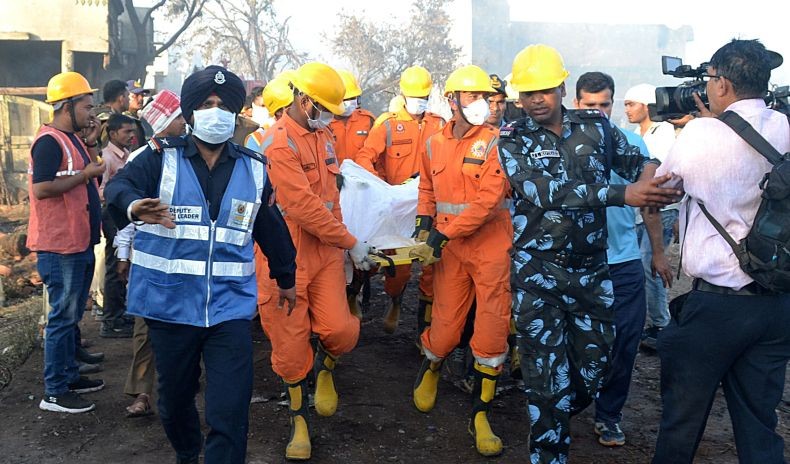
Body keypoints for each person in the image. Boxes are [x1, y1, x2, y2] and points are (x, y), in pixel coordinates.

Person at [104, 65, 297, 464]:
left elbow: (270, 226)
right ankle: (189, 454)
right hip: (170, 308)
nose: (216, 112)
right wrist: (134, 205)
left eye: (224, 105)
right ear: (190, 113)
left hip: (229, 310)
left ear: (235, 112)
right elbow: (118, 188)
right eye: (206, 104)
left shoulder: (253, 166)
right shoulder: (158, 158)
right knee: (174, 403)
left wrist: (286, 276)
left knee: (230, 408)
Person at [498, 44, 679, 463]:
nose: (536, 100)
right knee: (545, 378)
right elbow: (541, 193)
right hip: (537, 275)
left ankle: (554, 414)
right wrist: (623, 193)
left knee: (595, 369)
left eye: (544, 90)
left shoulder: (595, 127)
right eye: (527, 93)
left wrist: (649, 179)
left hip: (591, 275)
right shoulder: (512, 138)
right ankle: (548, 449)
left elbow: (640, 157)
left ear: (562, 87)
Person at [652, 39, 790, 464]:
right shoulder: (786, 126)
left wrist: (707, 125)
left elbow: (664, 187)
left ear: (723, 84)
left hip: (715, 306)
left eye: (710, 79)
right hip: (775, 303)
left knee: (681, 422)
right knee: (758, 424)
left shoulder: (699, 133)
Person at [256, 62, 376, 461]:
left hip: (324, 251)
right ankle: (299, 420)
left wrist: (343, 249)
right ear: (303, 100)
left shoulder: (323, 135)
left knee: (340, 330)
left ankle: (326, 364)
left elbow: (331, 199)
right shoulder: (276, 144)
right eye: (322, 106)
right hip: (284, 252)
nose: (328, 115)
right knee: (290, 348)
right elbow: (302, 205)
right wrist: (350, 241)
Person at [408, 65, 512, 457]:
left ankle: (481, 413)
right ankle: (431, 366)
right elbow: (427, 186)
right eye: (472, 97)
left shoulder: (497, 143)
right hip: (450, 250)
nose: (482, 105)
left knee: (491, 327)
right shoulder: (433, 142)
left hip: (489, 247)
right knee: (447, 327)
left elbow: (488, 200)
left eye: (484, 97)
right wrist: (423, 221)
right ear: (452, 101)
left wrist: (442, 233)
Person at [573, 71, 672, 447]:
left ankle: (609, 414)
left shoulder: (632, 145)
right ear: (576, 103)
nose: (597, 112)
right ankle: (566, 404)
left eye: (603, 104)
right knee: (576, 341)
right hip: (578, 263)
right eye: (589, 105)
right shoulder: (563, 147)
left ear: (611, 104)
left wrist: (658, 254)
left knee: (625, 341)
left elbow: (649, 205)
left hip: (625, 261)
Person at [29, 71, 106, 414]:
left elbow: (86, 167)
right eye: (86, 106)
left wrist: (90, 143)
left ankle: (69, 375)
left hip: (78, 241)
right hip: (60, 246)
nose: (91, 113)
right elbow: (42, 189)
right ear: (67, 106)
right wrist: (85, 175)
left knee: (72, 315)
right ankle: (55, 391)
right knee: (62, 317)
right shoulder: (48, 142)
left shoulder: (71, 138)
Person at [355, 65, 446, 335]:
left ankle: (404, 310)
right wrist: (381, 189)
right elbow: (364, 158)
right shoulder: (386, 124)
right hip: (394, 207)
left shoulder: (439, 124)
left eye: (425, 95)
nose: (420, 101)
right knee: (389, 264)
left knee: (425, 267)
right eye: (415, 95)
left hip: (429, 204)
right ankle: (365, 294)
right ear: (403, 94)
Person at [115, 89, 187, 418]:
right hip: (151, 261)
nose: (186, 123)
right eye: (179, 118)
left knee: (186, 328)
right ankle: (142, 393)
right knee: (145, 330)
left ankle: (182, 387)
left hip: (185, 258)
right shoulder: (142, 159)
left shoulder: (188, 155)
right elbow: (128, 211)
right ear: (164, 122)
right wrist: (123, 254)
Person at [623, 84, 678, 347]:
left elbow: (662, 173)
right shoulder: (635, 134)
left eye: (632, 104)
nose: (627, 110)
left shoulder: (664, 131)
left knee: (649, 263)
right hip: (640, 211)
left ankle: (661, 324)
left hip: (662, 209)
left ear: (646, 105)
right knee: (641, 265)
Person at [98, 113, 137, 339]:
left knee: (124, 262)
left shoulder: (126, 155)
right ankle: (111, 320)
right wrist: (121, 195)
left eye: (132, 131)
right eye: (126, 132)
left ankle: (120, 313)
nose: (131, 135)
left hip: (123, 213)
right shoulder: (107, 158)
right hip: (113, 213)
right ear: (113, 134)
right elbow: (101, 190)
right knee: (115, 264)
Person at [329, 69, 375, 164]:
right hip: (334, 177)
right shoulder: (324, 123)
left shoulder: (367, 120)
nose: (348, 103)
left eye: (352, 98)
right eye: (345, 99)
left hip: (362, 176)